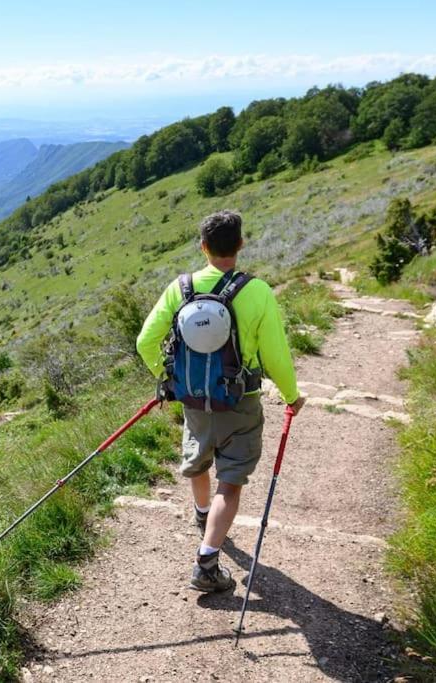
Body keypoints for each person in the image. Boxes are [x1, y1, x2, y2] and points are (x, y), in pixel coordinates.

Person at [135, 210, 305, 592]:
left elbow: (145, 341)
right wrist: (292, 396)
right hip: (239, 401)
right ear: (241, 244)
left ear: (204, 247)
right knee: (230, 482)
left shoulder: (180, 288)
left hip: (194, 398)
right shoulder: (257, 291)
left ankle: (202, 514)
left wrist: (168, 380)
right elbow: (275, 353)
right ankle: (206, 562)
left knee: (198, 460)